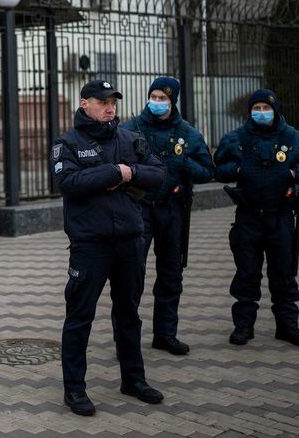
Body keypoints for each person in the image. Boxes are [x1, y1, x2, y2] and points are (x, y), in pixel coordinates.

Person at [52, 79, 166, 416]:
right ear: (84, 103)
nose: (110, 107)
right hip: (91, 245)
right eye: (102, 101)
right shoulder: (67, 143)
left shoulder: (130, 138)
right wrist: (113, 171)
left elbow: (159, 175)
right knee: (79, 316)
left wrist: (129, 172)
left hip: (130, 240)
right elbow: (69, 183)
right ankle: (74, 389)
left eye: (113, 101)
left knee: (129, 313)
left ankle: (133, 379)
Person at [214, 89, 299, 347]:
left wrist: (295, 173)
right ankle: (243, 326)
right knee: (246, 273)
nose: (261, 113)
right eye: (256, 108)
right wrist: (237, 169)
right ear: (250, 111)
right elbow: (217, 168)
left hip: (281, 217)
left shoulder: (294, 138)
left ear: (275, 110)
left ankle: (287, 326)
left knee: (283, 274)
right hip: (248, 217)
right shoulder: (236, 138)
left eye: (266, 108)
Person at [121, 77, 214, 356]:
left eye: (163, 98)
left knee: (171, 274)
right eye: (154, 96)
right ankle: (126, 339)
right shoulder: (131, 128)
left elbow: (208, 170)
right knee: (131, 273)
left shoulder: (187, 134)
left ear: (173, 101)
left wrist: (185, 163)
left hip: (172, 211)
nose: (158, 102)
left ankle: (165, 334)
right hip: (139, 209)